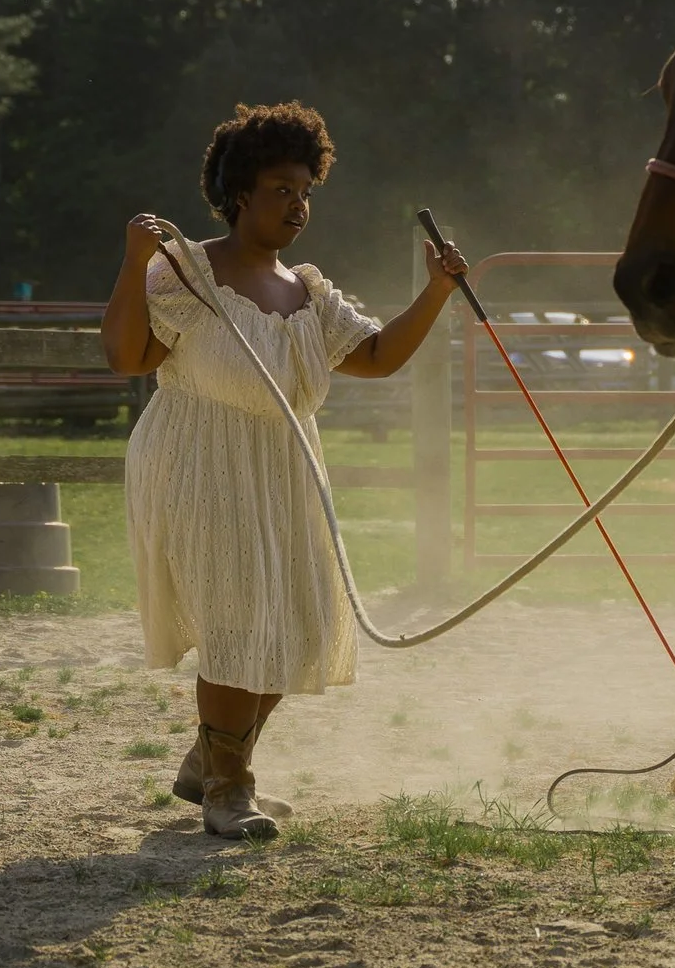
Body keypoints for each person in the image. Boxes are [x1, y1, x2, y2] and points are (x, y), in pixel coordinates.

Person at [100, 101, 468, 839]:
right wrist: (134, 265)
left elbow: (375, 356)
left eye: (305, 189)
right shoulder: (190, 272)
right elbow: (128, 357)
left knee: (299, 622)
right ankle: (230, 786)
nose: (297, 204)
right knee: (239, 616)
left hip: (285, 467)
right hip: (200, 460)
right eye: (280, 189)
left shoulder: (309, 291)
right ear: (240, 192)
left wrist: (434, 290)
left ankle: (212, 758)